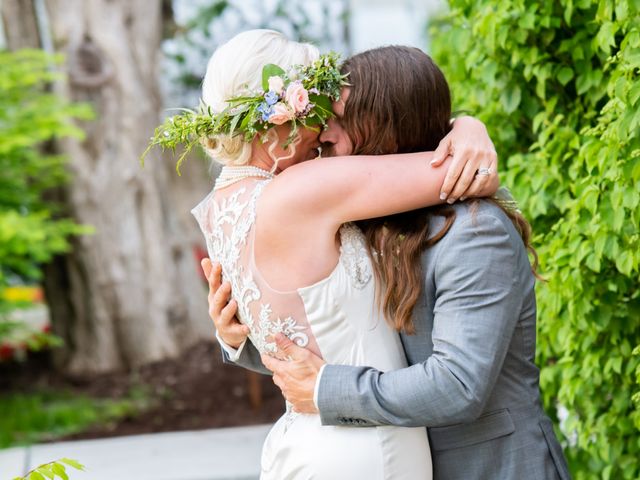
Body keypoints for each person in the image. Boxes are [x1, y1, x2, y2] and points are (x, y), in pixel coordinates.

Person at [206, 43, 571, 479]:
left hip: (491, 467)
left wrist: (327, 390)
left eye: (338, 122)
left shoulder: (475, 232)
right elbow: (340, 336)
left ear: (379, 128)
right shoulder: (364, 222)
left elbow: (458, 385)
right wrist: (244, 337)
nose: (322, 133)